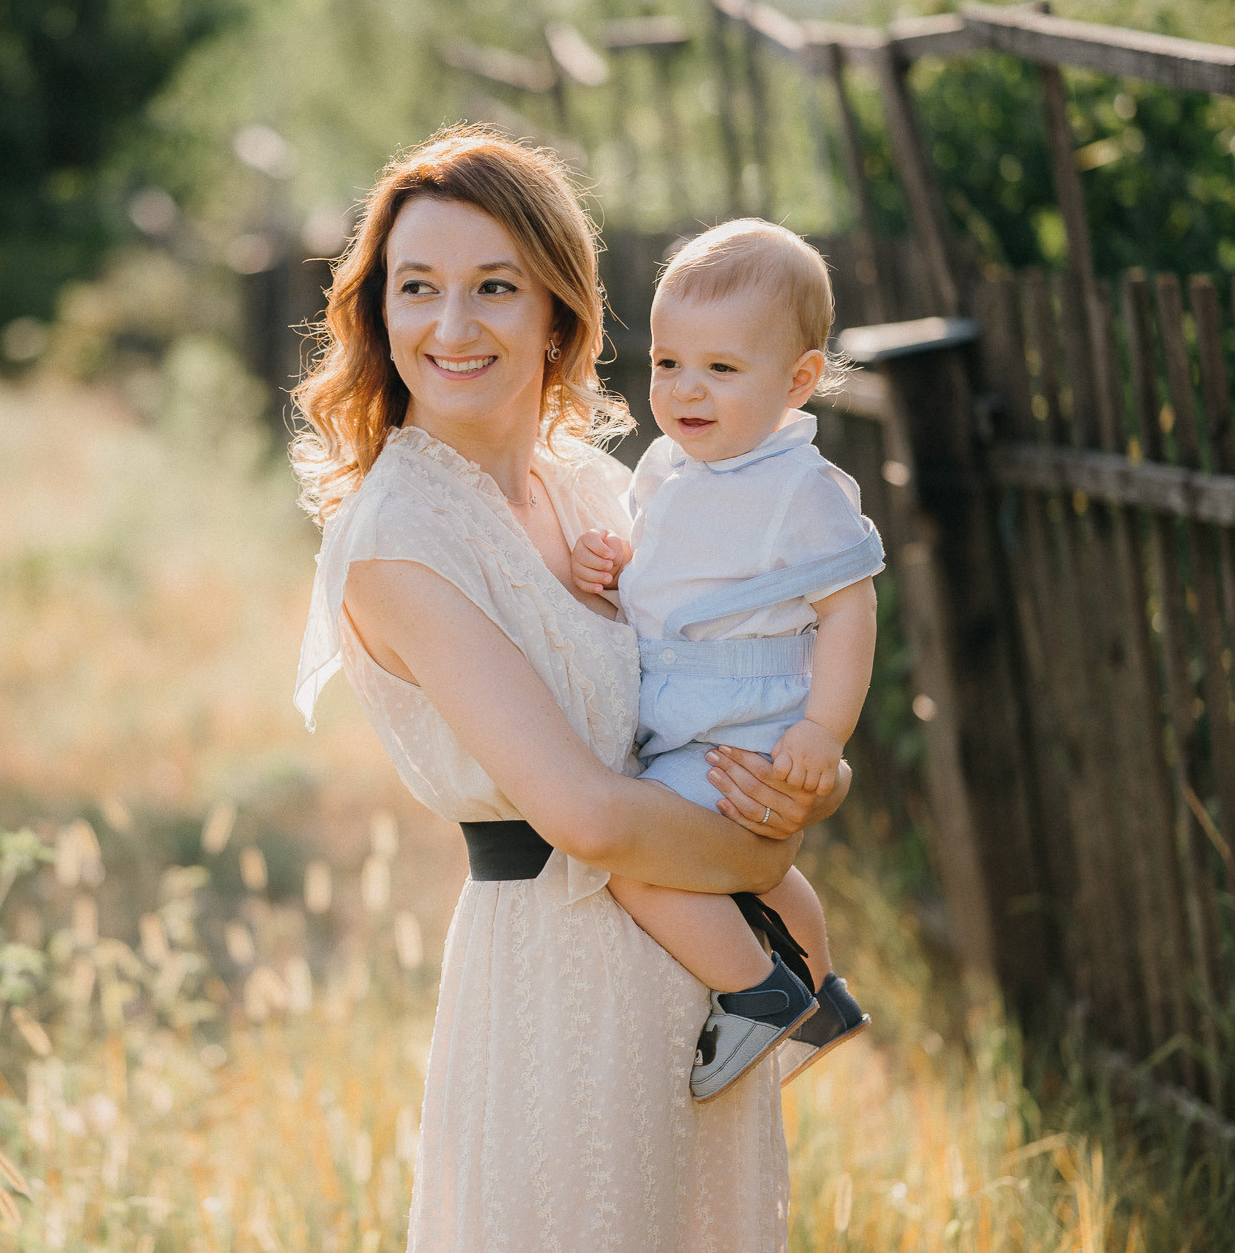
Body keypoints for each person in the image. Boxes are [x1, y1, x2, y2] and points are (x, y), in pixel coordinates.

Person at [291, 127, 849, 1251]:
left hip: (704, 993)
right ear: (379, 313)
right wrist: (768, 862)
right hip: (556, 983)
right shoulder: (398, 537)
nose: (452, 326)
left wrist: (812, 781)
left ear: (556, 308)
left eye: (493, 286)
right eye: (417, 288)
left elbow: (751, 673)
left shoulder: (603, 488)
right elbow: (583, 811)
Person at [571, 220, 880, 1105]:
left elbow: (849, 609)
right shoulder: (669, 465)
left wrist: (825, 729)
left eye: (722, 369)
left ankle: (757, 989)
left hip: (740, 724)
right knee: (769, 871)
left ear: (799, 380)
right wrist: (622, 568)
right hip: (688, 710)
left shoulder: (800, 489)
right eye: (669, 363)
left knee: (632, 859)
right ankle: (821, 995)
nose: (685, 390)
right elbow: (682, 580)